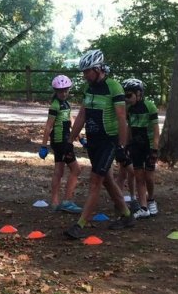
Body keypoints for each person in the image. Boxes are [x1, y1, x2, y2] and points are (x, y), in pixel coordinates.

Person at [65, 50, 135, 238]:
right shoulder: (89, 89)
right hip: (94, 142)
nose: (84, 75)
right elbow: (82, 115)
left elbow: (122, 119)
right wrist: (69, 140)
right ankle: (128, 216)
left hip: (109, 141)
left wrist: (121, 146)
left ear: (97, 69)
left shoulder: (114, 87)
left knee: (95, 181)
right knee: (107, 180)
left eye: (87, 71)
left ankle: (81, 224)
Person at [39, 75, 83, 214]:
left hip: (64, 140)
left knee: (59, 171)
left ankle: (54, 202)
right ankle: (67, 201)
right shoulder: (55, 105)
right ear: (55, 91)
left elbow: (71, 122)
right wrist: (43, 146)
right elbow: (48, 126)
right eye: (60, 91)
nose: (63, 93)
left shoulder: (67, 104)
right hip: (62, 142)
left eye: (65, 90)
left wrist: (80, 137)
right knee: (76, 170)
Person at [121, 78, 160, 218]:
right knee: (138, 176)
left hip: (149, 146)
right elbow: (129, 127)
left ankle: (151, 199)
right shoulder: (129, 109)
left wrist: (155, 149)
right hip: (136, 146)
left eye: (129, 95)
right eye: (124, 95)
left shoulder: (150, 106)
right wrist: (126, 145)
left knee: (149, 177)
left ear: (139, 94)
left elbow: (156, 130)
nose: (127, 99)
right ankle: (143, 207)